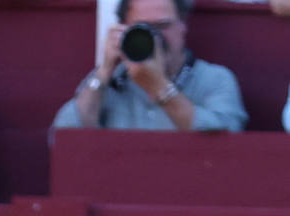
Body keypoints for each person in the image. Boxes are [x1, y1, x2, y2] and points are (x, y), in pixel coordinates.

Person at [52, 0, 246, 132]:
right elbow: (63, 135)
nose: (155, 37)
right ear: (123, 29)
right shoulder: (110, 81)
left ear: (183, 24)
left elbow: (227, 138)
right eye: (143, 28)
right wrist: (104, 71)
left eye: (163, 26)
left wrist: (160, 88)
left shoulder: (215, 79)